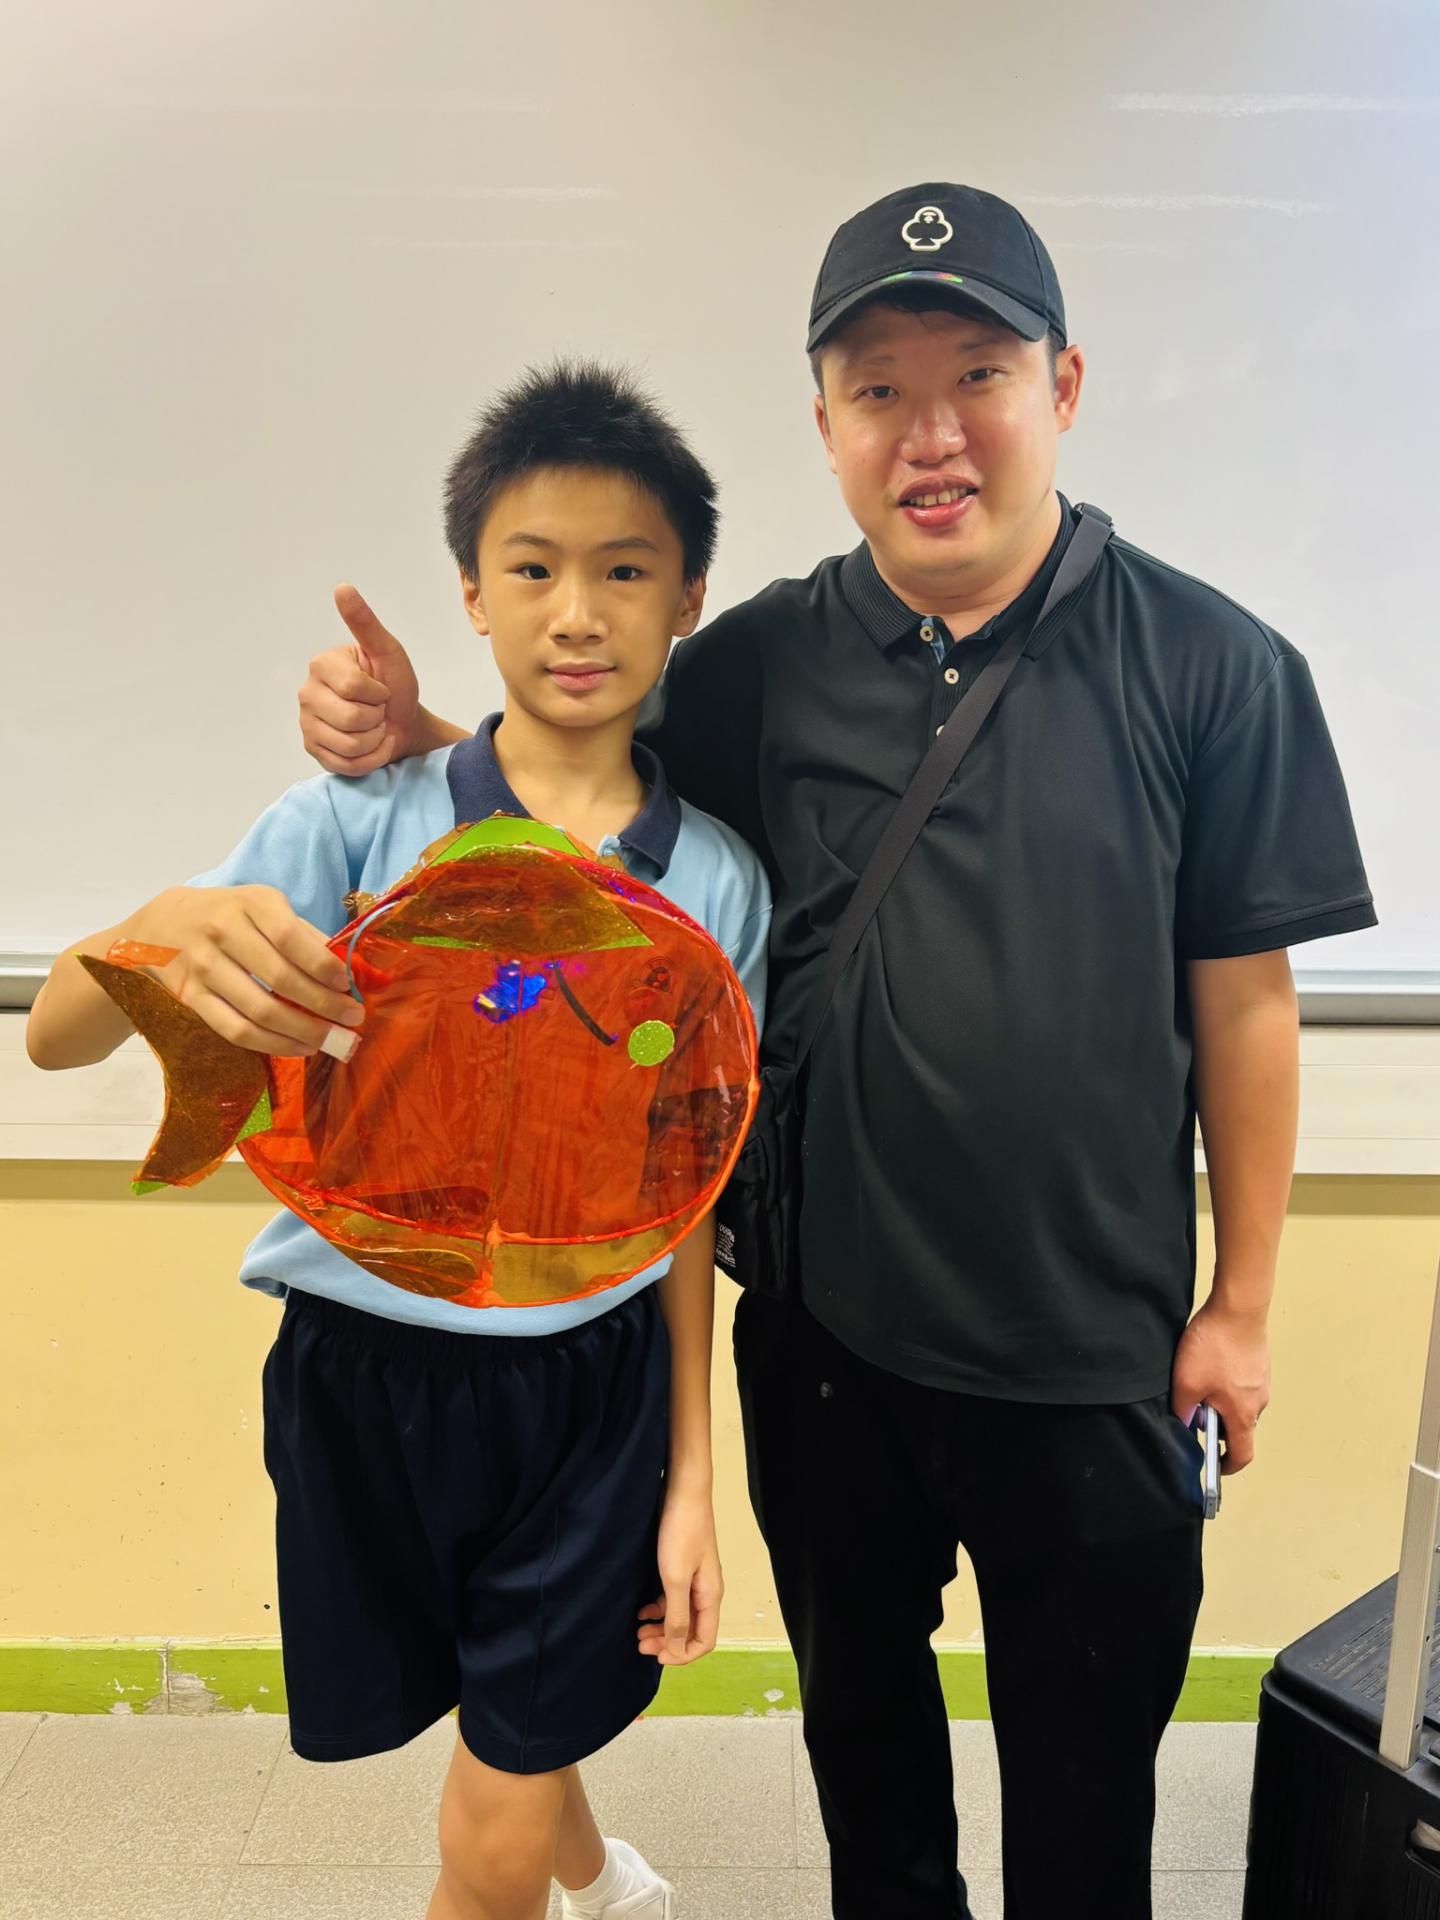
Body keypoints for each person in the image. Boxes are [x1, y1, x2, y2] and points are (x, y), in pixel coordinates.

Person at [292, 183, 1376, 1920]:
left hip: (1091, 1356)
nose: (928, 434)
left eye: (978, 376)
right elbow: (571, 793)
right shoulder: (754, 666)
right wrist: (407, 729)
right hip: (822, 1348)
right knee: (872, 1800)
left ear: (1064, 387)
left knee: (1086, 1820)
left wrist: (1239, 1307)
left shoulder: (1215, 667)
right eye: (878, 390)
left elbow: (1246, 1006)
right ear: (825, 424)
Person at [27, 362, 771, 1920]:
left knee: (486, 1834)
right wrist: (159, 922)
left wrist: (695, 1478)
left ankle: (547, 1872)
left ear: (690, 600)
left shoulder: (714, 886)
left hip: (589, 1393)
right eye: (533, 569)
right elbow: (60, 1038)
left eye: (626, 571)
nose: (579, 614)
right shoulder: (353, 822)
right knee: (496, 1709)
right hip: (356, 1377)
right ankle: (607, 1883)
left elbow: (682, 1196)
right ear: (472, 597)